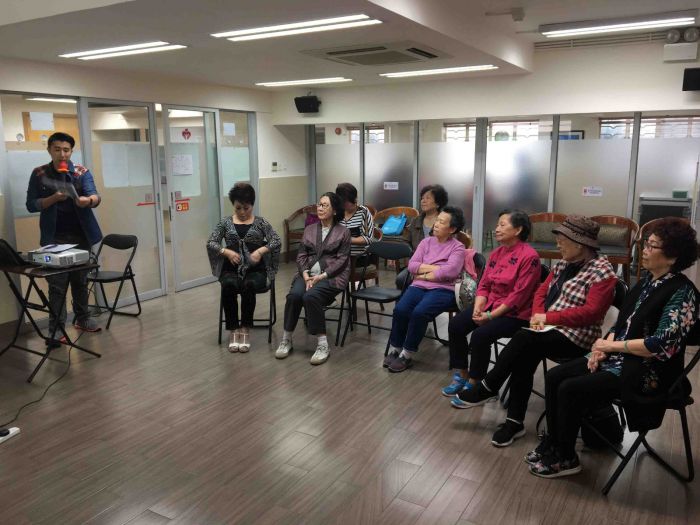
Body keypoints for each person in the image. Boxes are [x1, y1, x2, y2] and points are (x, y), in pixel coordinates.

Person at [527, 218, 699, 478]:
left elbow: (660, 345)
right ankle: (554, 443)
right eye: (646, 244)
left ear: (673, 256)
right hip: (620, 358)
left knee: (570, 388)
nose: (645, 251)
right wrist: (600, 348)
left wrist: (610, 345)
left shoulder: (682, 292)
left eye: (652, 246)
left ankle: (566, 458)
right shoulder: (647, 282)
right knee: (554, 377)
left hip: (650, 371)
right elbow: (623, 324)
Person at [454, 215, 617, 448]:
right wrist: (538, 316)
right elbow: (541, 291)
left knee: (524, 339)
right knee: (525, 353)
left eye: (562, 240)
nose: (558, 245)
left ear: (580, 244)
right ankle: (513, 421)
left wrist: (547, 318)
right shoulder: (564, 264)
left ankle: (489, 387)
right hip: (547, 329)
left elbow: (591, 313)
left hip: (578, 336)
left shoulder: (603, 271)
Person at [442, 210, 541, 396]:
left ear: (518, 229)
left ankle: (475, 383)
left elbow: (518, 296)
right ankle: (462, 374)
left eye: (502, 225)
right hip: (490, 305)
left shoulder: (530, 257)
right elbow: (484, 284)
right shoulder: (496, 253)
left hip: (515, 314)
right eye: (497, 225)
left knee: (480, 335)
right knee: (456, 325)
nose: (497, 229)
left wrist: (490, 316)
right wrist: (478, 307)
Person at [25, 131, 102, 347]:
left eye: (66, 150)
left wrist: (87, 200)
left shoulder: (81, 172)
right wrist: (53, 198)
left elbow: (96, 196)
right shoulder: (39, 173)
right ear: (49, 150)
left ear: (71, 151)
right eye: (57, 149)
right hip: (54, 238)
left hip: (81, 236)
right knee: (57, 285)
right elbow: (31, 204)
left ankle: (82, 318)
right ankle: (56, 329)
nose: (62, 154)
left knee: (80, 281)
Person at [384, 206, 466, 373]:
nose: (436, 224)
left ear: (452, 229)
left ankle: (407, 354)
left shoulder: (458, 247)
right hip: (419, 285)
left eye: (442, 222)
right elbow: (412, 265)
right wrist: (437, 268)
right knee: (400, 309)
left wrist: (426, 274)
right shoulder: (426, 242)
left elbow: (451, 271)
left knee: (419, 313)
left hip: (444, 289)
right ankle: (396, 348)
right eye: (437, 220)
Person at [276, 192, 351, 365]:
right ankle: (286, 339)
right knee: (294, 296)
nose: (320, 208)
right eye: (319, 204)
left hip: (332, 277)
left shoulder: (343, 232)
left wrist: (322, 276)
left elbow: (342, 260)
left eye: (325, 205)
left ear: (334, 210)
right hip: (307, 275)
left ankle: (323, 345)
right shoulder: (310, 229)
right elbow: (301, 255)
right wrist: (305, 274)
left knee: (311, 296)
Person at [207, 183, 280, 352]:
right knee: (228, 285)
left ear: (252, 205)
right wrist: (226, 252)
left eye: (246, 208)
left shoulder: (261, 223)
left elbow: (276, 240)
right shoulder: (225, 223)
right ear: (233, 205)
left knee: (249, 285)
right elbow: (211, 242)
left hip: (255, 271)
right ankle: (233, 330)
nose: (242, 212)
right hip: (230, 270)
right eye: (238, 208)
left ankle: (245, 329)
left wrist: (261, 251)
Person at [336, 182, 375, 258]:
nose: (349, 205)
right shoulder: (337, 212)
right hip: (339, 256)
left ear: (355, 198)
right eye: (343, 202)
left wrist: (346, 240)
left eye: (349, 201)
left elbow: (369, 239)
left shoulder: (363, 212)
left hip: (358, 256)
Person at [407, 185, 448, 249]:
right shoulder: (415, 221)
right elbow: (407, 244)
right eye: (422, 198)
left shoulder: (446, 221)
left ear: (438, 203)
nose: (423, 201)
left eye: (428, 198)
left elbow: (451, 246)